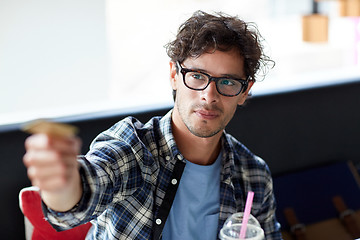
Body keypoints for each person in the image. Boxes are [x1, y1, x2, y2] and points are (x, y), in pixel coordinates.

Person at [23, 10, 282, 240]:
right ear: (174, 75)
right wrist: (63, 185)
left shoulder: (253, 175)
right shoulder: (133, 147)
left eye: (227, 82)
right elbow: (82, 193)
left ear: (245, 91)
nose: (209, 95)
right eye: (197, 76)